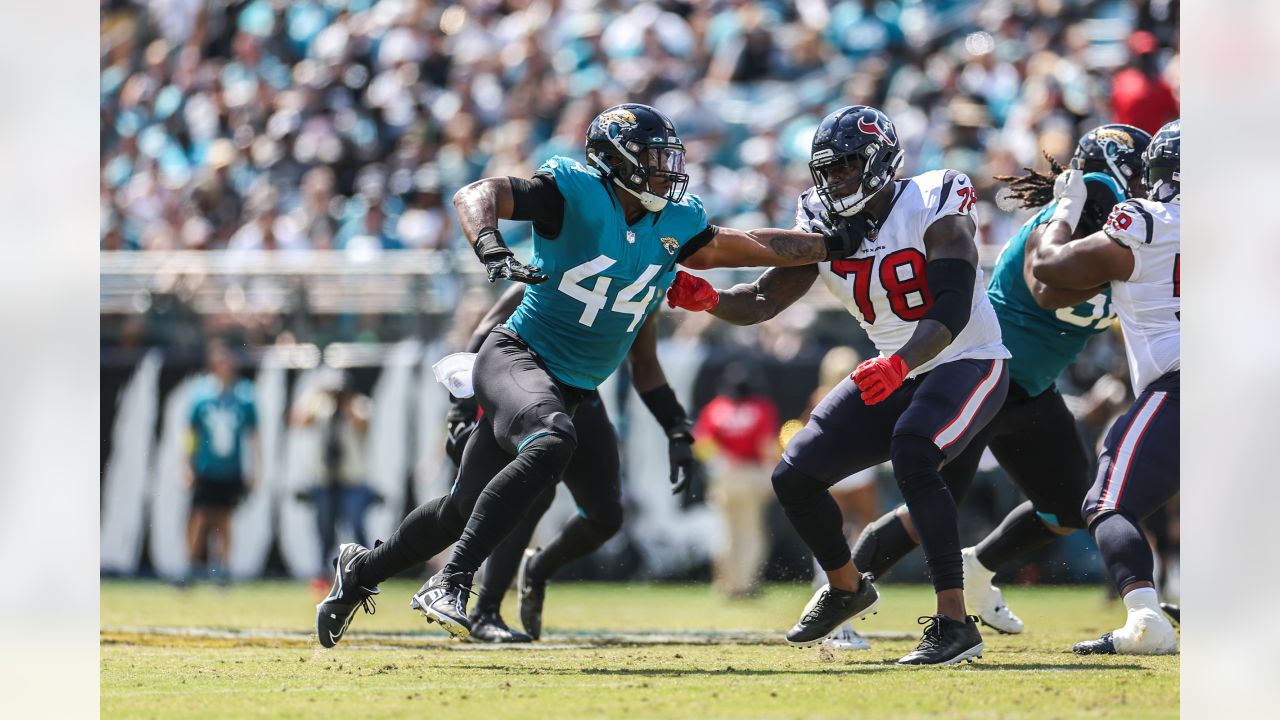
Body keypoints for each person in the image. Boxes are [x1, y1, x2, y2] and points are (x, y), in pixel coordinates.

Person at [315, 103, 862, 647]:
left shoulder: (673, 225)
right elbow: (476, 194)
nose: (665, 168)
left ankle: (360, 571)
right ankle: (453, 582)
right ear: (615, 159)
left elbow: (746, 246)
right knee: (552, 442)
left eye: (667, 156)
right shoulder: (574, 192)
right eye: (652, 157)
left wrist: (829, 244)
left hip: (571, 385)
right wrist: (490, 245)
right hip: (518, 356)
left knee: (459, 510)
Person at [668, 105, 1010, 665]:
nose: (836, 180)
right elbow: (762, 300)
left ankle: (954, 623)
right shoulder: (822, 222)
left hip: (966, 357)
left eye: (848, 165)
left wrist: (901, 363)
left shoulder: (935, 196)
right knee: (795, 472)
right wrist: (709, 299)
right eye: (827, 169)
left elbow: (951, 302)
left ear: (880, 159)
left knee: (914, 452)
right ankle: (847, 586)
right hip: (894, 366)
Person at [837, 124, 1153, 640]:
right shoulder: (1057, 224)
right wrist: (1119, 269)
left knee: (1071, 508)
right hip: (983, 377)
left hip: (1032, 389)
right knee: (927, 510)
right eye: (1139, 174)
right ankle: (838, 598)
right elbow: (1046, 288)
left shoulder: (1122, 240)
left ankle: (979, 570)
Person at [445, 283, 691, 643]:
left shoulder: (647, 279)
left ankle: (539, 568)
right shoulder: (572, 254)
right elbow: (489, 325)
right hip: (527, 390)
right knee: (529, 494)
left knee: (606, 516)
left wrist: (676, 427)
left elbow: (645, 362)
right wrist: (461, 406)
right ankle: (485, 608)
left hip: (581, 399)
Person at [1029, 120, 1180, 656]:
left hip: (1185, 385)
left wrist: (1065, 210)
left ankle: (1145, 619)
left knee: (1109, 501)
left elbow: (1047, 270)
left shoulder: (1147, 222)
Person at [692, 363, 780, 598]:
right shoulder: (761, 408)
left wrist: (722, 463)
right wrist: (769, 476)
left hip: (725, 477)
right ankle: (745, 584)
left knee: (725, 531)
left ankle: (726, 584)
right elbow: (766, 447)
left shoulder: (716, 408)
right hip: (751, 474)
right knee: (750, 532)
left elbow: (700, 444)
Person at [291, 367, 379, 591]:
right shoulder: (320, 405)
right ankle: (323, 574)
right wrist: (317, 394)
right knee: (324, 531)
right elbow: (299, 421)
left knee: (357, 529)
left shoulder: (359, 404)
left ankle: (367, 573)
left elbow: (363, 424)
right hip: (324, 478)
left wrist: (346, 401)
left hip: (352, 479)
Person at [185, 341, 259, 585]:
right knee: (199, 517)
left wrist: (255, 469)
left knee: (224, 519)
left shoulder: (244, 395)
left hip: (231, 469)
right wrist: (186, 464)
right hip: (206, 468)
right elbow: (191, 433)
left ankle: (223, 571)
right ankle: (190, 569)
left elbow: (254, 436)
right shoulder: (202, 394)